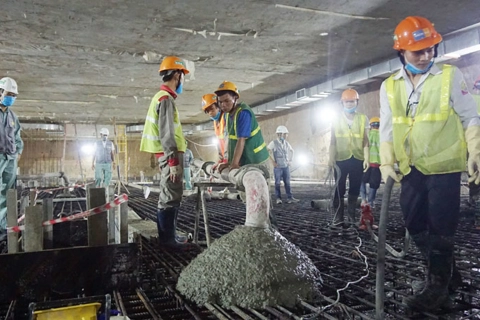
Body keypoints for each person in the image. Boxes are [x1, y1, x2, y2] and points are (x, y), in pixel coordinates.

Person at [379, 16, 480, 311]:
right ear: (402, 52)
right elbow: (387, 126)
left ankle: (437, 290)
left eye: (430, 49)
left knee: (441, 226)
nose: (425, 56)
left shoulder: (449, 76)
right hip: (411, 167)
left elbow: (470, 116)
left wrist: (475, 152)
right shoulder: (389, 86)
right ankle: (450, 276)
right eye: (418, 51)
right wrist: (386, 162)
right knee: (414, 224)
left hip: (444, 166)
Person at [140, 56, 189, 246]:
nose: (182, 81)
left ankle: (170, 237)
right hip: (170, 157)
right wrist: (173, 162)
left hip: (166, 156)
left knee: (169, 194)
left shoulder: (160, 97)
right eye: (182, 75)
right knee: (170, 196)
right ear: (177, 74)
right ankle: (168, 242)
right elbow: (167, 134)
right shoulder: (166, 99)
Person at [328, 88, 369, 227]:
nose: (349, 104)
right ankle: (338, 218)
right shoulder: (336, 118)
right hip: (341, 158)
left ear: (356, 102)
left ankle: (351, 217)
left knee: (355, 188)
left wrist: (367, 158)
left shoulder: (363, 119)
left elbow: (365, 141)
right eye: (347, 102)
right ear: (342, 103)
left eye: (352, 101)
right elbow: (333, 140)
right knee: (339, 188)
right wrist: (331, 157)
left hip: (357, 158)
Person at [215, 81, 269, 171]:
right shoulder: (227, 115)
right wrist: (229, 162)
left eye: (227, 101)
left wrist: (234, 164)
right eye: (220, 102)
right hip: (246, 161)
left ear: (235, 98)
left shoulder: (243, 113)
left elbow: (241, 140)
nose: (223, 105)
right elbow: (232, 141)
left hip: (257, 161)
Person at [0, 77, 22, 241]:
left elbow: (17, 138)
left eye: (14, 95)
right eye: (9, 94)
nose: (11, 98)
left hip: (10, 159)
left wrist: (17, 155)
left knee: (8, 194)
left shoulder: (12, 117)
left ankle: (3, 227)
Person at [267, 125, 299, 204]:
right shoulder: (273, 143)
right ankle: (278, 198)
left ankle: (290, 197)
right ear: (280, 134)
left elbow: (292, 151)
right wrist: (272, 162)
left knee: (287, 183)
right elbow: (266, 151)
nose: (286, 136)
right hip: (278, 167)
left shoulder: (286, 143)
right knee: (277, 183)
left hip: (285, 166)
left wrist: (290, 160)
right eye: (285, 134)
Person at [360, 117, 381, 208]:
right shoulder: (382, 136)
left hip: (366, 162)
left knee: (361, 180)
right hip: (377, 164)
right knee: (374, 183)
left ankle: (363, 199)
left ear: (370, 126)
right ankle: (370, 202)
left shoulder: (367, 135)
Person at [202, 93, 227, 163]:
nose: (210, 113)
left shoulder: (226, 118)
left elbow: (230, 142)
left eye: (212, 109)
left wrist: (226, 159)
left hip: (233, 158)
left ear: (219, 107)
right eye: (208, 111)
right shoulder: (216, 122)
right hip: (226, 158)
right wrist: (221, 159)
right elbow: (219, 143)